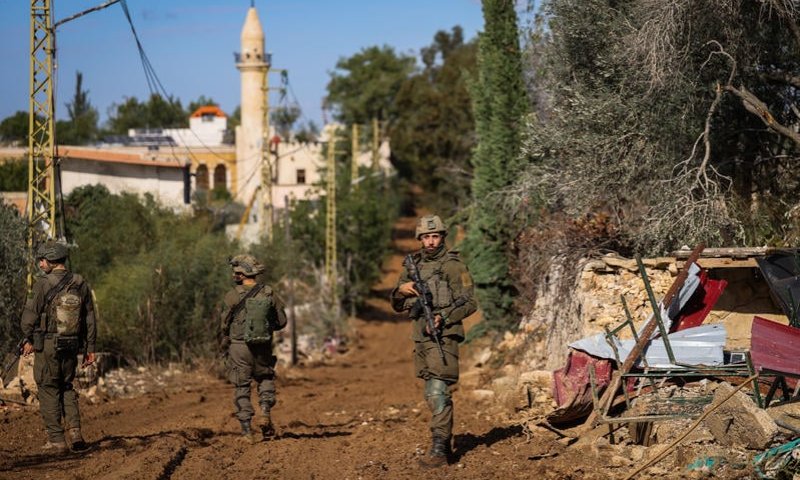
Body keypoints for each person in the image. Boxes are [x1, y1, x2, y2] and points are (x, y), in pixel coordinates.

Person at [391, 214, 477, 468]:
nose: (430, 241)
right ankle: (444, 441)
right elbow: (396, 304)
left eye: (435, 236)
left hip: (444, 336)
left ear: (442, 237)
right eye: (426, 237)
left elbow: (470, 301)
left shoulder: (454, 266)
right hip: (420, 337)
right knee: (431, 392)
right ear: (420, 239)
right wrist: (400, 291)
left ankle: (439, 449)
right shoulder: (412, 266)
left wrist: (443, 316)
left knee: (439, 391)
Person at [21, 240, 97, 453]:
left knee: (48, 388)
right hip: (72, 345)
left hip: (48, 346)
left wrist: (28, 338)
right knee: (66, 386)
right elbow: (89, 318)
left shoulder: (42, 284)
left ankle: (56, 441)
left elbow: (28, 320)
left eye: (41, 260)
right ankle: (75, 434)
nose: (40, 264)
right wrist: (90, 348)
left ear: (49, 261)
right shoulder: (80, 283)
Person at [219, 254, 287, 443]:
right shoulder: (269, 292)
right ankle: (265, 411)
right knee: (265, 378)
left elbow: (224, 326)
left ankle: (247, 432)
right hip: (262, 346)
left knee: (242, 386)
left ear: (241, 274)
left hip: (239, 348)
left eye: (236, 272)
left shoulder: (232, 295)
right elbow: (282, 322)